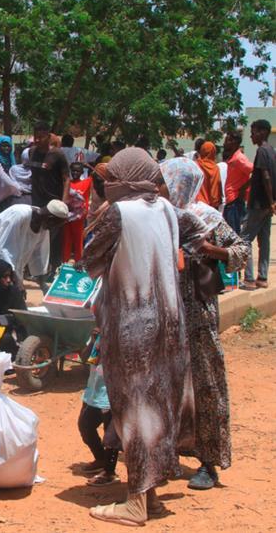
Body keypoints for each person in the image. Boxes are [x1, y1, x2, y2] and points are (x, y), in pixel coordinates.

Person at [81, 147, 207, 527]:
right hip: (170, 324)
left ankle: (135, 502)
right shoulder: (168, 209)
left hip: (133, 327)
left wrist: (99, 214)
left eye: (112, 178)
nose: (108, 184)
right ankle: (147, 493)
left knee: (134, 409)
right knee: (157, 408)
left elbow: (90, 261)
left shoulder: (118, 212)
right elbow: (197, 236)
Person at [160, 156, 249, 490]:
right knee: (168, 387)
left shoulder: (206, 217)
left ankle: (208, 463)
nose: (163, 188)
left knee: (206, 386)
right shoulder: (161, 215)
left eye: (167, 182)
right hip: (166, 315)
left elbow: (242, 250)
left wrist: (211, 249)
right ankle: (169, 452)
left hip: (198, 316)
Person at [0, 200, 68, 286]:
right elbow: (4, 250)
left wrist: (42, 284)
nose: (54, 229)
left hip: (9, 258)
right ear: (50, 218)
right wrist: (17, 281)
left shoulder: (44, 225)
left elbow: (39, 255)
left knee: (10, 290)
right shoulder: (19, 214)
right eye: (55, 225)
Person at [77, 330, 122, 487]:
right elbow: (84, 358)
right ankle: (101, 458)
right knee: (85, 425)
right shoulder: (99, 336)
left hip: (112, 393)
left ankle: (109, 472)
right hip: (95, 390)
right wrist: (93, 338)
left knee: (110, 435)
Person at [26, 121, 70, 274]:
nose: (37, 140)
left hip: (53, 202)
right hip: (37, 201)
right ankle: (36, 270)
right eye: (35, 137)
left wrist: (64, 202)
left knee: (54, 238)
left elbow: (66, 178)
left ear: (48, 135)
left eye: (40, 137)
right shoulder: (32, 152)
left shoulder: (57, 154)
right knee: (35, 234)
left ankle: (54, 268)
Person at [240, 119, 275, 290]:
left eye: (253, 132)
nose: (251, 135)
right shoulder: (271, 151)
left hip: (259, 203)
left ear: (262, 132)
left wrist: (270, 201)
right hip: (267, 205)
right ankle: (262, 277)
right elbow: (258, 176)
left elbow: (266, 177)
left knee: (244, 239)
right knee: (264, 240)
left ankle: (249, 279)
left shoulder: (261, 151)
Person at [222, 130, 253, 235]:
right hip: (231, 201)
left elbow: (255, 171)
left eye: (227, 141)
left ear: (234, 142)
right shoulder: (233, 157)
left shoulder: (239, 158)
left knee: (234, 235)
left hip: (235, 201)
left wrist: (244, 187)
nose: (224, 143)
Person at [63, 162, 93, 262]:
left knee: (78, 240)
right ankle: (64, 261)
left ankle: (78, 261)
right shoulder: (67, 183)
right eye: (73, 170)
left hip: (79, 217)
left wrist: (87, 165)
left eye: (78, 171)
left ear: (81, 172)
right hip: (67, 216)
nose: (75, 173)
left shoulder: (86, 182)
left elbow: (97, 173)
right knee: (66, 239)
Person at [195, 141, 222, 209]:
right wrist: (216, 205)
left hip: (195, 205)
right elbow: (215, 189)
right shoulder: (215, 168)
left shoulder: (195, 165)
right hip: (208, 207)